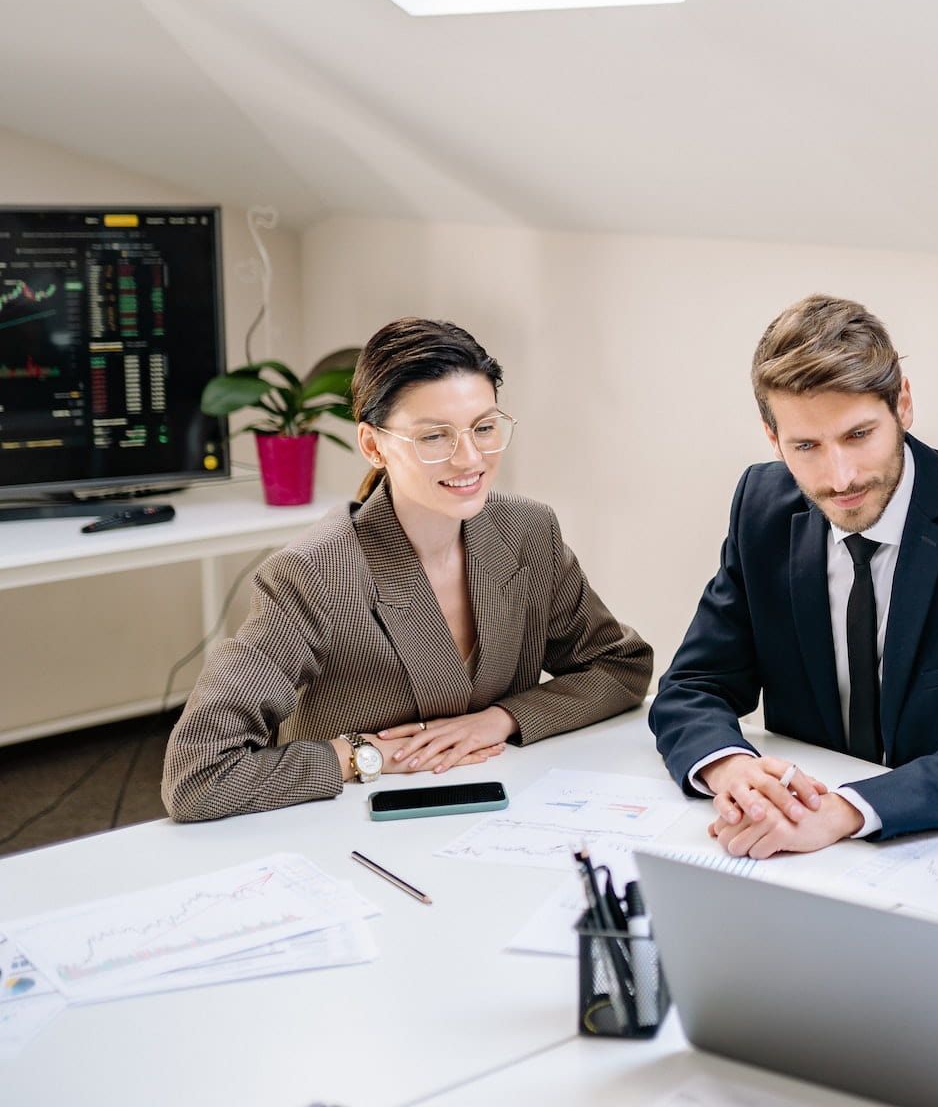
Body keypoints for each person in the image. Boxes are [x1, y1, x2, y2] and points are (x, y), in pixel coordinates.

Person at [162, 318, 653, 822]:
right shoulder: (312, 575)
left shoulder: (528, 531)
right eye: (434, 437)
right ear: (374, 445)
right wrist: (362, 756)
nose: (470, 459)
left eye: (484, 428)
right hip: (352, 829)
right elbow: (196, 778)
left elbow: (620, 666)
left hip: (500, 809)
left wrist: (502, 718)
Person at [648, 295, 938, 856]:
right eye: (806, 447)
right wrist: (731, 770)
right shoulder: (761, 507)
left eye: (858, 435)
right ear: (773, 439)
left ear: (904, 404)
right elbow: (692, 686)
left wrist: (843, 812)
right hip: (810, 856)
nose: (840, 477)